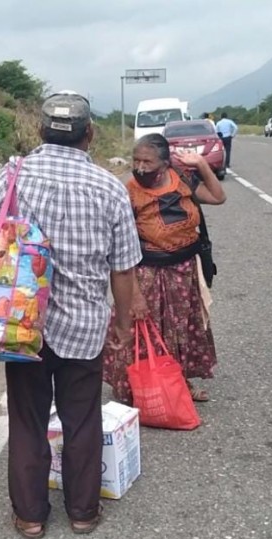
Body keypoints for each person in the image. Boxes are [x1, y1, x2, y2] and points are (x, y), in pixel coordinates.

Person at [0, 91, 141, 539]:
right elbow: (123, 267)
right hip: (85, 325)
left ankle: (31, 516)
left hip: (21, 322)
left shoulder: (13, 175)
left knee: (28, 418)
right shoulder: (110, 188)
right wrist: (123, 325)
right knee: (82, 419)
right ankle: (83, 512)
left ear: (39, 131)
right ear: (90, 135)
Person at [103, 133, 226, 403]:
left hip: (183, 271)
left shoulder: (182, 179)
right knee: (143, 330)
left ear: (165, 162)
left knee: (182, 329)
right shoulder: (129, 192)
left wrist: (202, 165)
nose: (140, 167)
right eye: (136, 161)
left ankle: (180, 383)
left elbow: (218, 197)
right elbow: (122, 247)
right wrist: (133, 295)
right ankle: (137, 388)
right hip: (147, 273)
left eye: (147, 161)